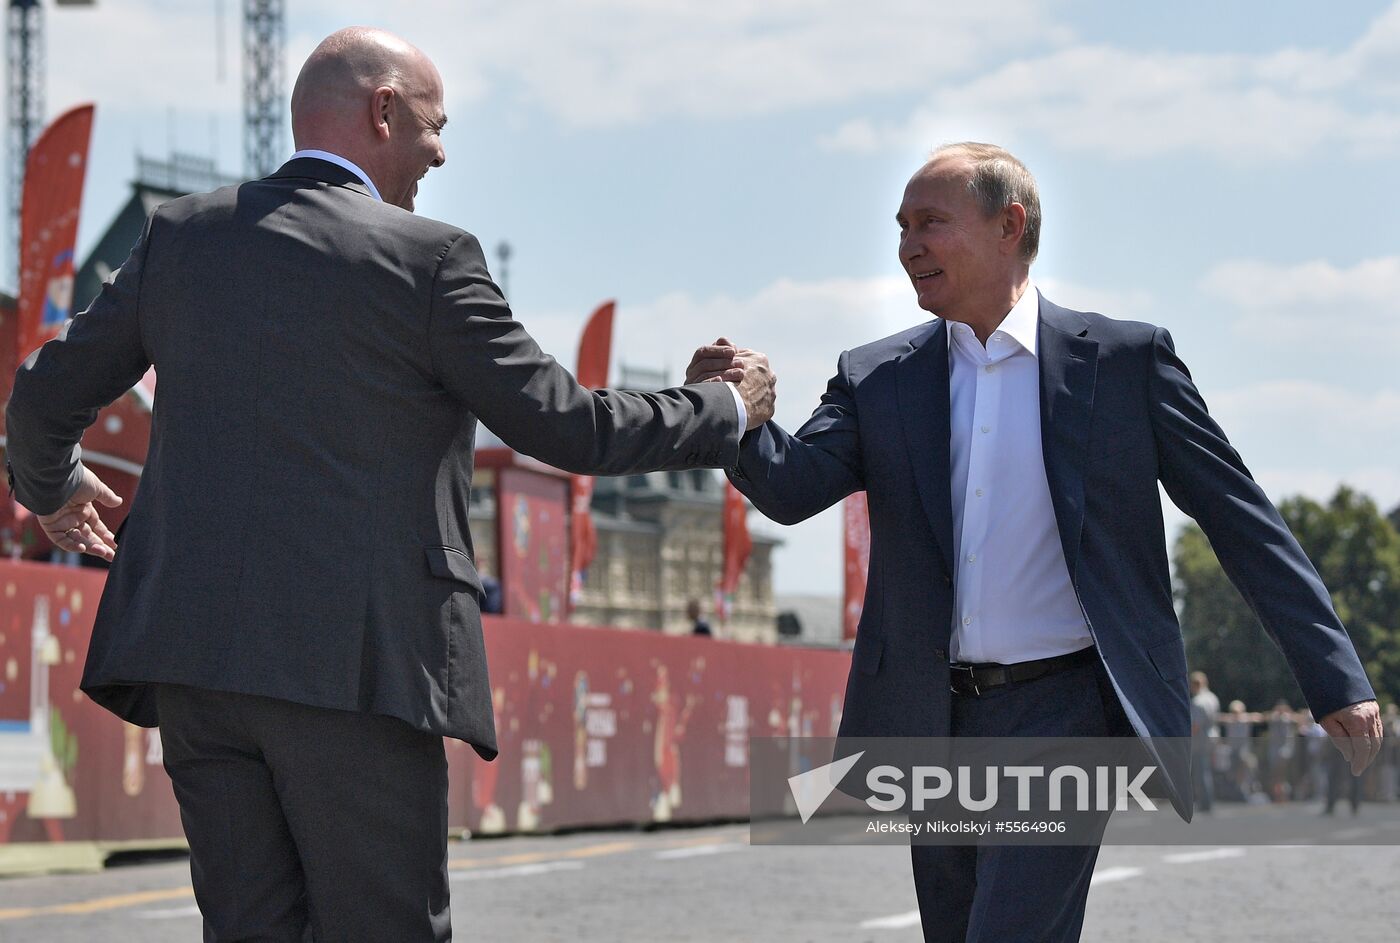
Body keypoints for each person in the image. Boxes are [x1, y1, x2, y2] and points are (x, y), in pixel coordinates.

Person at [5, 27, 775, 942]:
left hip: (196, 663)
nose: (441, 151)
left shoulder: (180, 237)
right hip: (360, 666)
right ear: (383, 110)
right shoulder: (429, 259)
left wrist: (54, 486)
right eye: (434, 126)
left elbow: (42, 396)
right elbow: (567, 425)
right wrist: (721, 407)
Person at [689, 142, 1382, 942]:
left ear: (1009, 225)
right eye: (902, 225)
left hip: (1067, 712)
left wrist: (1334, 673)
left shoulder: (1125, 361)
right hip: (931, 715)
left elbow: (1239, 515)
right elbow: (792, 484)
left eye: (932, 223)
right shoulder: (876, 375)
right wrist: (728, 409)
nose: (908, 245)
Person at [1189, 671, 1220, 812]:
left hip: (1201, 739)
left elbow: (1195, 725)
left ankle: (1205, 802)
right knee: (1207, 769)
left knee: (1201, 771)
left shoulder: (1198, 701)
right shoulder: (1212, 698)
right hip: (1213, 736)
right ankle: (1208, 800)